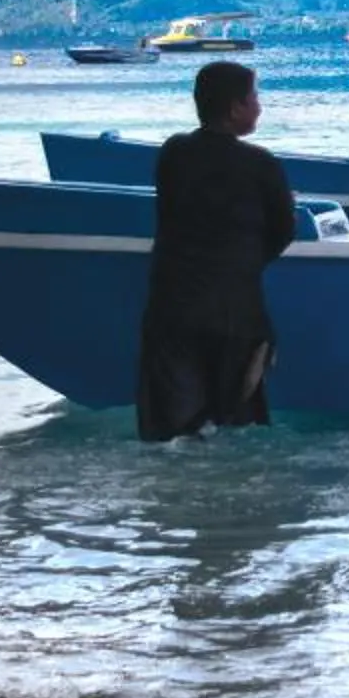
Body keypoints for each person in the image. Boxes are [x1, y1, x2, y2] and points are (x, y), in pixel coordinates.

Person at [135, 59, 297, 442]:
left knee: (172, 431)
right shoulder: (262, 165)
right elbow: (283, 231)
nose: (259, 106)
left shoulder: (173, 154)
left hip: (173, 309)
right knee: (237, 425)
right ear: (235, 107)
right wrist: (242, 265)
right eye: (254, 97)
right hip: (237, 313)